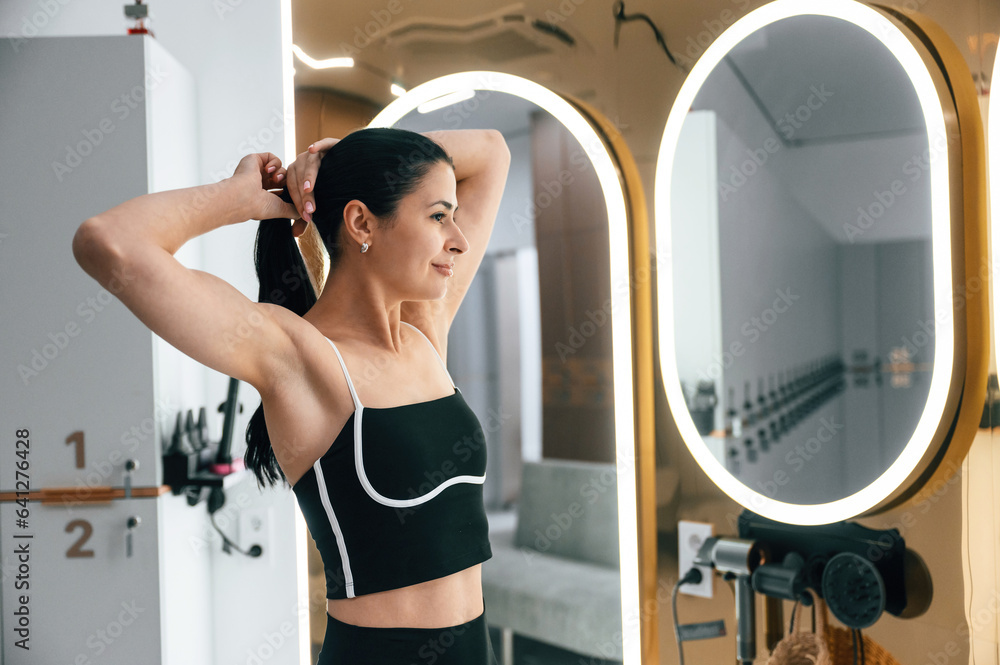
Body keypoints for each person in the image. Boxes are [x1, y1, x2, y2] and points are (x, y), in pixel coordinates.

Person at [72, 126, 511, 664]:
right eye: (439, 215)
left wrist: (328, 156)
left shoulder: (423, 335)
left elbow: (491, 150)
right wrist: (237, 199)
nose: (459, 239)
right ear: (361, 222)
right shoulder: (298, 355)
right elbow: (107, 242)